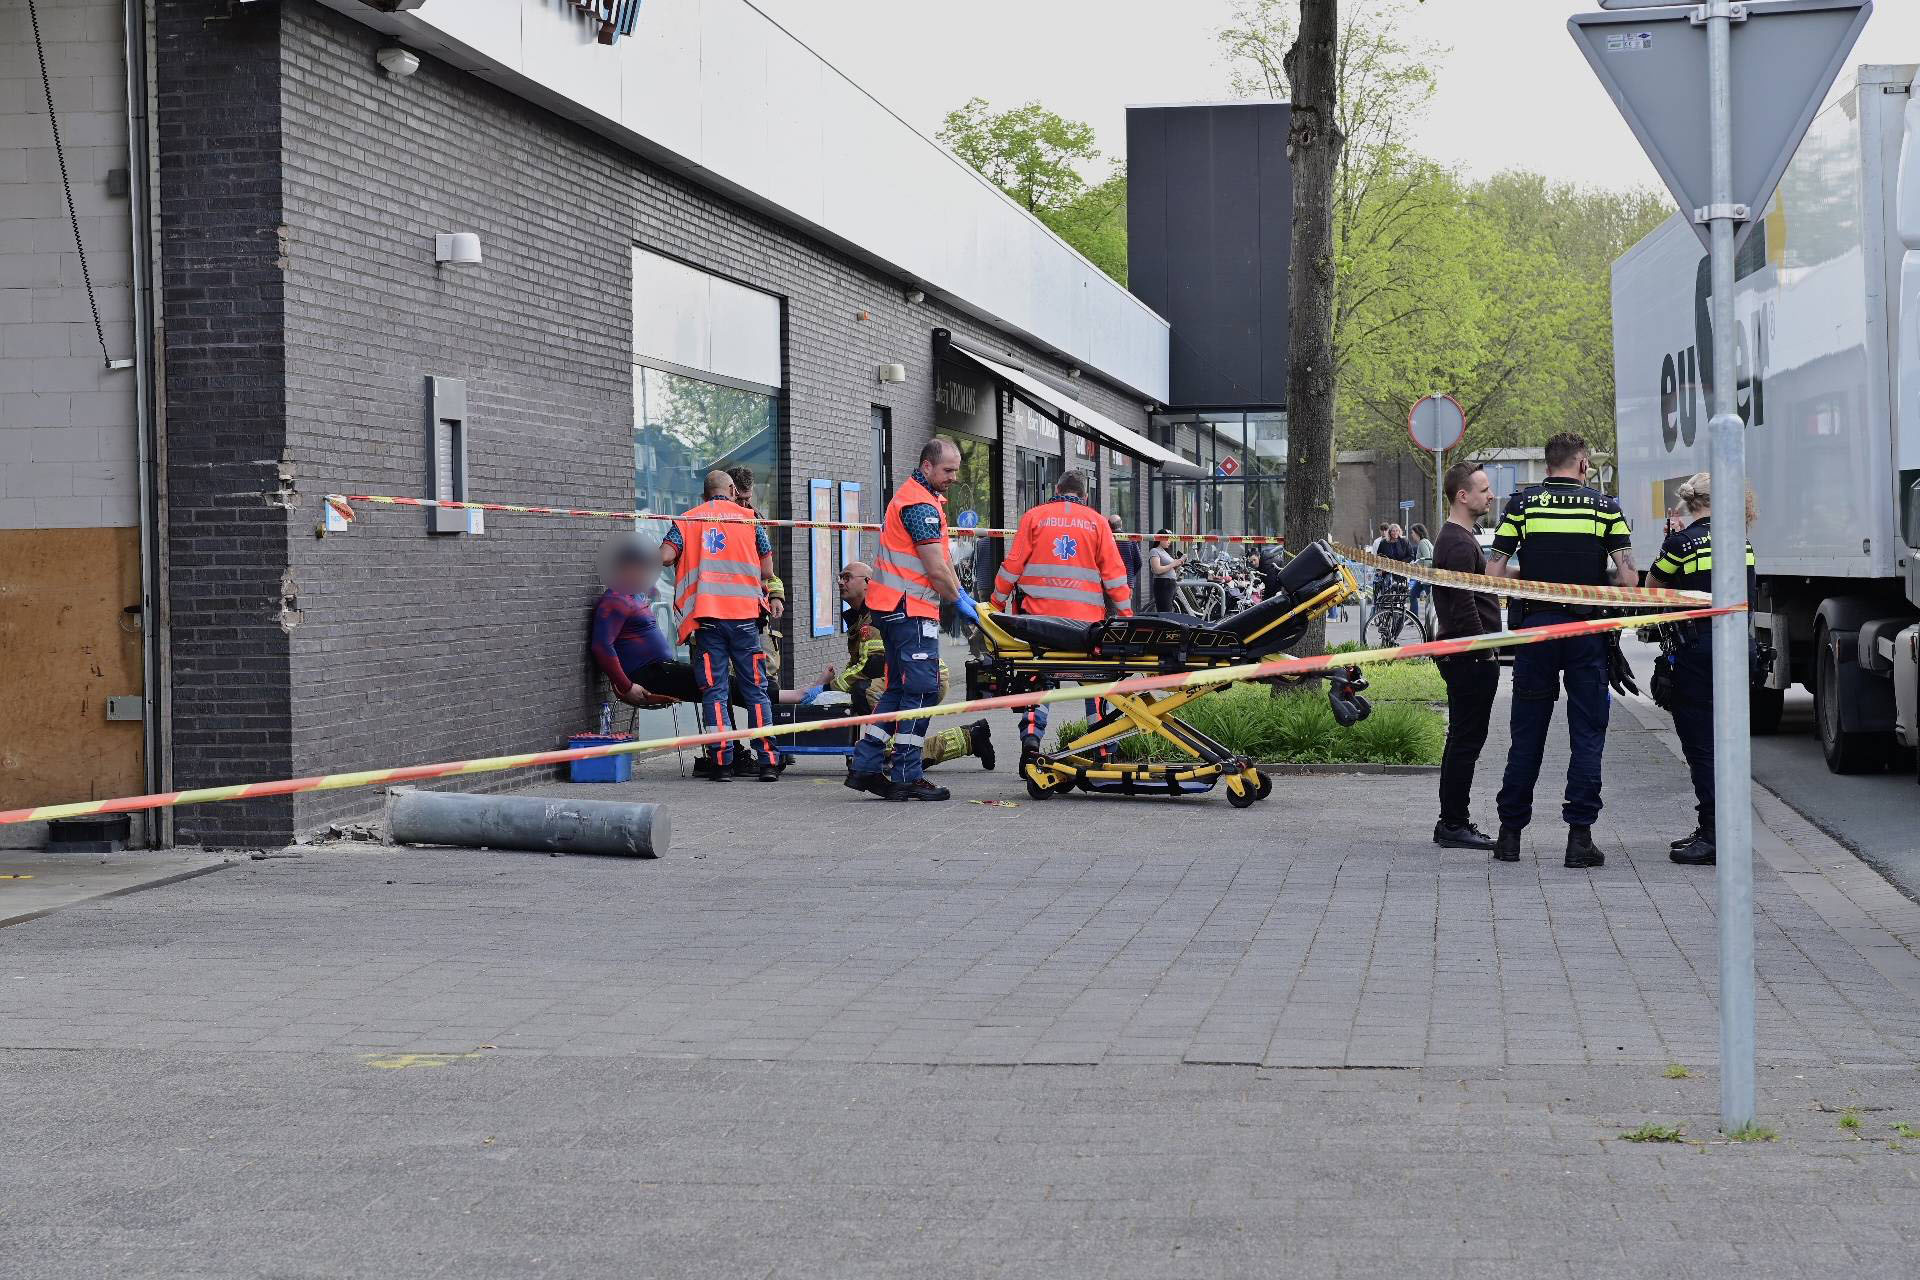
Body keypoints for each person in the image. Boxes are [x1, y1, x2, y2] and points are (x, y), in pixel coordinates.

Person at [1485, 432, 1638, 869]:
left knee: (1526, 734)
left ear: (1548, 464)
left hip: (1536, 631)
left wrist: (1531, 575)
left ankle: (1509, 836)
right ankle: (1579, 838)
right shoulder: (1605, 509)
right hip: (1586, 633)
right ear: (1583, 464)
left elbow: (1494, 573)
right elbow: (1629, 581)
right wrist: (1590, 581)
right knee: (1587, 733)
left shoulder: (1522, 505)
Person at [1645, 472, 1757, 868]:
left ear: (1691, 504)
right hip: (1737, 651)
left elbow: (1652, 589)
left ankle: (1713, 835)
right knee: (1729, 743)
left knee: (1701, 745)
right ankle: (1723, 829)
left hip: (1697, 653)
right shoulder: (1741, 543)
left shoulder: (1680, 544)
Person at [845, 438, 965, 802]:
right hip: (910, 611)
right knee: (923, 690)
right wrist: (962, 602)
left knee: (898, 689)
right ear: (926, 466)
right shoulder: (919, 504)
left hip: (898, 609)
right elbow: (935, 567)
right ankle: (907, 774)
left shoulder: (917, 498)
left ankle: (866, 765)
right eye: (948, 470)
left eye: (956, 470)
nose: (953, 477)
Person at [990, 472, 1132, 764]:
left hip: (1040, 625)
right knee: (1097, 685)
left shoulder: (1034, 517)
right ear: (1085, 495)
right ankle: (1103, 752)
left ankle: (1031, 744)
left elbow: (1012, 566)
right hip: (1085, 627)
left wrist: (995, 604)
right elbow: (1115, 576)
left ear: (1056, 489)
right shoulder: (1097, 522)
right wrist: (1127, 619)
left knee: (1038, 680)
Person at [660, 470, 785, 782]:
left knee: (714, 692)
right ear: (731, 489)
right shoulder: (750, 519)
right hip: (744, 620)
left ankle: (722, 762)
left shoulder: (688, 519)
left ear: (704, 494)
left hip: (708, 621)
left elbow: (664, 556)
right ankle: (768, 760)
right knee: (756, 690)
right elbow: (767, 570)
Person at [829, 560, 993, 771]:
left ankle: (886, 756)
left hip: (921, 675)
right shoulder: (861, 616)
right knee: (902, 744)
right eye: (840, 577)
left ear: (868, 583)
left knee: (866, 692)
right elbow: (860, 662)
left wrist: (830, 687)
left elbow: (872, 665)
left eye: (848, 577)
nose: (841, 582)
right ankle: (968, 738)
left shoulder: (875, 613)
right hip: (909, 674)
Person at [1429, 463, 1501, 852]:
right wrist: (1481, 649)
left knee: (1464, 739)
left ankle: (1453, 820)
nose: (1490, 495)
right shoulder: (1457, 542)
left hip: (1467, 657)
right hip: (1468, 659)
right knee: (1464, 741)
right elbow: (1462, 605)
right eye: (1484, 489)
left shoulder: (1460, 539)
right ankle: (1453, 823)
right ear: (1463, 496)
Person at [1110, 512, 1143, 610]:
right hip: (1126, 582)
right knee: (1125, 610)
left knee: (1110, 610)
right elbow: (1139, 562)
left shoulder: (1108, 539)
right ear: (1121, 524)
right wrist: (1130, 576)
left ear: (1109, 526)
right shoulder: (1130, 539)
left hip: (1109, 580)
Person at [1148, 531, 1184, 613]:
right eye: (1167, 539)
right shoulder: (1154, 551)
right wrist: (1173, 564)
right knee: (1165, 611)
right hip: (1163, 583)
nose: (1169, 542)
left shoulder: (1166, 552)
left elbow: (1170, 569)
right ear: (1160, 539)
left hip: (1171, 583)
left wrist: (1178, 564)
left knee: (1169, 610)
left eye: (1170, 540)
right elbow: (1157, 570)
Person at [1408, 522, 1435, 615]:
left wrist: (1418, 566)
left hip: (1426, 577)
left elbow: (1427, 560)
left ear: (1417, 533)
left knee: (1430, 599)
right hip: (1423, 577)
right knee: (1412, 594)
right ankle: (1413, 617)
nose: (1411, 535)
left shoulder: (1423, 543)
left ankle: (1432, 620)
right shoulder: (1425, 542)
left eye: (1412, 533)